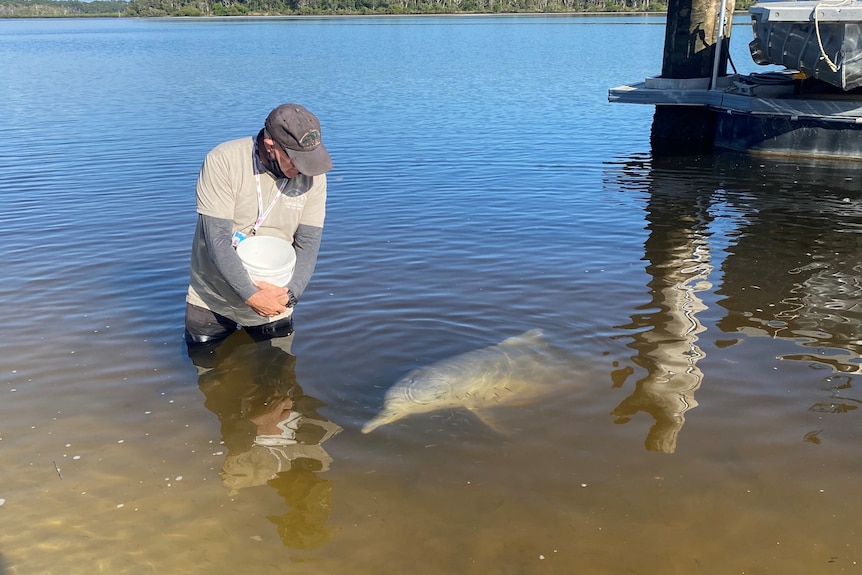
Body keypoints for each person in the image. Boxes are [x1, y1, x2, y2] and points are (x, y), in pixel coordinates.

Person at [184, 103, 332, 356]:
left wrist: (291, 295)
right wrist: (251, 296)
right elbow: (216, 239)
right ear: (271, 146)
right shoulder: (223, 161)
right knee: (210, 380)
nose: (304, 170)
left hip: (276, 298)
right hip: (212, 297)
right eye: (296, 160)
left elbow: (308, 242)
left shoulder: (313, 176)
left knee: (279, 379)